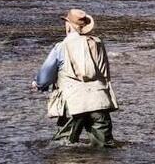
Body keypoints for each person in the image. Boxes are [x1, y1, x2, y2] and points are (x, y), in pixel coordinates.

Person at [31, 8, 118, 147]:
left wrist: (38, 84)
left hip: (73, 104)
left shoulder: (61, 47)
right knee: (105, 149)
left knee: (63, 148)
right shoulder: (99, 44)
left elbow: (44, 78)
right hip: (99, 101)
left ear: (68, 25)